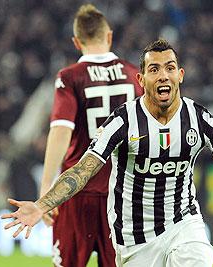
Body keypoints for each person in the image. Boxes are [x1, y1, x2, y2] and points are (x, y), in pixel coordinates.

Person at [2, 39, 213, 267]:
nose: (163, 75)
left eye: (169, 67)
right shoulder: (123, 120)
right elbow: (82, 170)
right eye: (154, 69)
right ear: (141, 80)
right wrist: (41, 205)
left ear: (180, 75)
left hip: (184, 223)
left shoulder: (198, 118)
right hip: (134, 237)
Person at [39, 4, 143, 267]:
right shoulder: (135, 75)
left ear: (76, 42)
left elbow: (61, 130)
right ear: (109, 36)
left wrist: (47, 188)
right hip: (122, 195)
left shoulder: (69, 77)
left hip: (78, 191)